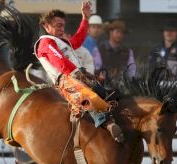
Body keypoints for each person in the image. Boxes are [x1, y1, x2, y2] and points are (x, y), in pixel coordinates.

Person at [34, 1, 124, 143]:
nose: (62, 28)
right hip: (64, 80)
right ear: (46, 26)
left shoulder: (61, 41)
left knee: (108, 92)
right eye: (58, 25)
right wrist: (79, 74)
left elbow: (77, 40)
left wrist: (85, 18)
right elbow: (60, 62)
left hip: (77, 75)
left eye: (63, 25)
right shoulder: (44, 42)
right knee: (87, 95)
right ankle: (107, 123)